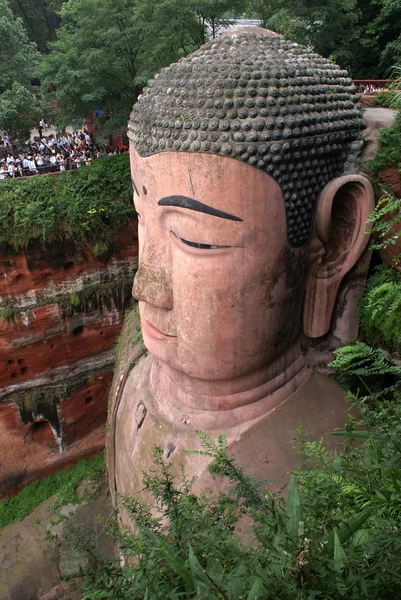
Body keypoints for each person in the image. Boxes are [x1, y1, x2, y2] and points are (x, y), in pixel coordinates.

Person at [108, 28, 375, 521]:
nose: (145, 288)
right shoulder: (133, 369)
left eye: (196, 240)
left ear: (335, 243)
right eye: (141, 222)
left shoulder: (335, 476)